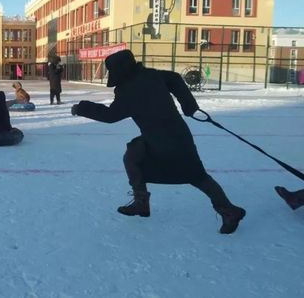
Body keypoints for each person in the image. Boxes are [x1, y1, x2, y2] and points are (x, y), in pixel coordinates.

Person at [71, 50, 246, 234]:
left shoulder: (128, 90)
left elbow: (110, 116)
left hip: (164, 142)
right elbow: (176, 79)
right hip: (171, 135)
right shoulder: (153, 75)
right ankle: (141, 203)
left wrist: (82, 108)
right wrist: (189, 106)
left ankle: (229, 211)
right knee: (134, 156)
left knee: (196, 176)